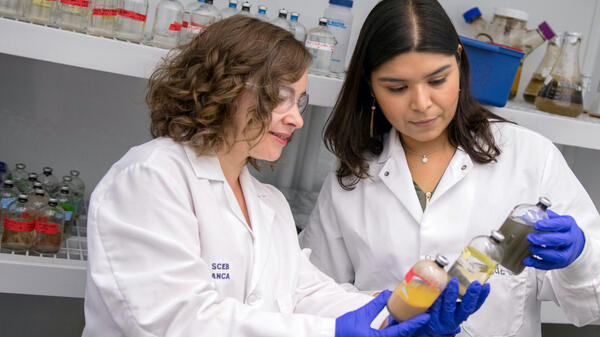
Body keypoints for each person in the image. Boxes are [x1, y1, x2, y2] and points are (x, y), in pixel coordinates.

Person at [81, 15, 488, 337]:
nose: (296, 118)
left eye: (301, 101)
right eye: (280, 98)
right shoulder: (152, 177)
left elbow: (304, 292)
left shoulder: (267, 205)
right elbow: (174, 321)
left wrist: (396, 311)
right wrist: (334, 333)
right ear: (223, 86)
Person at [299, 1, 600, 337]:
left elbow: (591, 305)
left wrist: (581, 256)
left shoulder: (529, 156)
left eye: (437, 80)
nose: (422, 103)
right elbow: (311, 292)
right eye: (397, 87)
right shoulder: (353, 174)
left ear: (459, 60)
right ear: (370, 85)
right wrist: (387, 311)